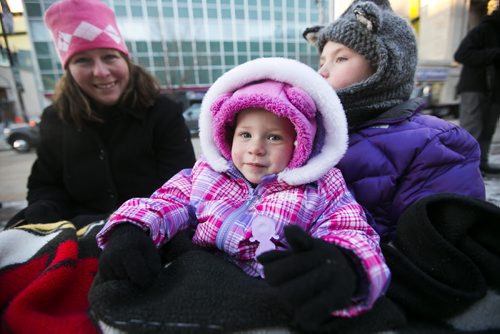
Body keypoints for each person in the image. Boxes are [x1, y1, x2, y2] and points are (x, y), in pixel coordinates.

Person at [96, 57, 390, 331]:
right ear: (227, 134)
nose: (255, 148)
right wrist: (131, 230)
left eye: (274, 137)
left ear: (301, 144)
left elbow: (353, 231)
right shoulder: (207, 174)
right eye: (245, 134)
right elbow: (166, 201)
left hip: (274, 286)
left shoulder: (321, 187)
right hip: (204, 276)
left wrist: (344, 265)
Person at [303, 0, 486, 241]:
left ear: (384, 68)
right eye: (322, 61)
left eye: (341, 59)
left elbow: (436, 247)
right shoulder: (307, 130)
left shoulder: (436, 144)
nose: (322, 72)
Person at [5, 0, 196, 230]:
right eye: (83, 60)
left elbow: (180, 188)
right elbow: (45, 185)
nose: (101, 72)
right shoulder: (56, 118)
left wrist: (129, 226)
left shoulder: (163, 112)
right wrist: (44, 210)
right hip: (80, 235)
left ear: (125, 59)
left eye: (109, 57)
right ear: (69, 69)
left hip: (153, 234)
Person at [454, 8, 500, 175]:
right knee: (472, 129)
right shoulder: (483, 29)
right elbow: (461, 54)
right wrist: (494, 54)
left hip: (495, 91)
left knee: (488, 130)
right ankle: (464, 167)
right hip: (475, 87)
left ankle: (482, 163)